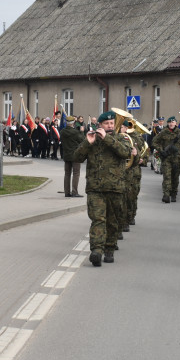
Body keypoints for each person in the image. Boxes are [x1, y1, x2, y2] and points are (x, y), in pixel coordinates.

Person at [74, 111, 133, 266]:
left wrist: (107, 139)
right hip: (95, 188)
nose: (110, 126)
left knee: (113, 222)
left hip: (115, 188)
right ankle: (97, 251)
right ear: (99, 125)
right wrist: (87, 142)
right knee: (98, 219)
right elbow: (77, 158)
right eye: (106, 124)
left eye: (112, 123)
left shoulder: (121, 138)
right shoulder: (92, 139)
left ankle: (109, 248)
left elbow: (125, 152)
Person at [152, 115, 180, 202]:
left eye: (173, 122)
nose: (171, 124)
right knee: (167, 176)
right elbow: (154, 142)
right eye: (170, 122)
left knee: (175, 177)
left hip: (177, 159)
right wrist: (161, 150)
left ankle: (174, 193)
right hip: (166, 158)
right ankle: (166, 195)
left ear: (176, 123)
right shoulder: (163, 132)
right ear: (168, 123)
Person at [60, 116, 85, 198]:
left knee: (67, 174)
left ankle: (67, 192)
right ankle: (74, 192)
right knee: (76, 173)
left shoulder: (62, 131)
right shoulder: (75, 132)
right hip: (75, 155)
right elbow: (82, 140)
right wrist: (81, 132)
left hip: (66, 155)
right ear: (73, 123)